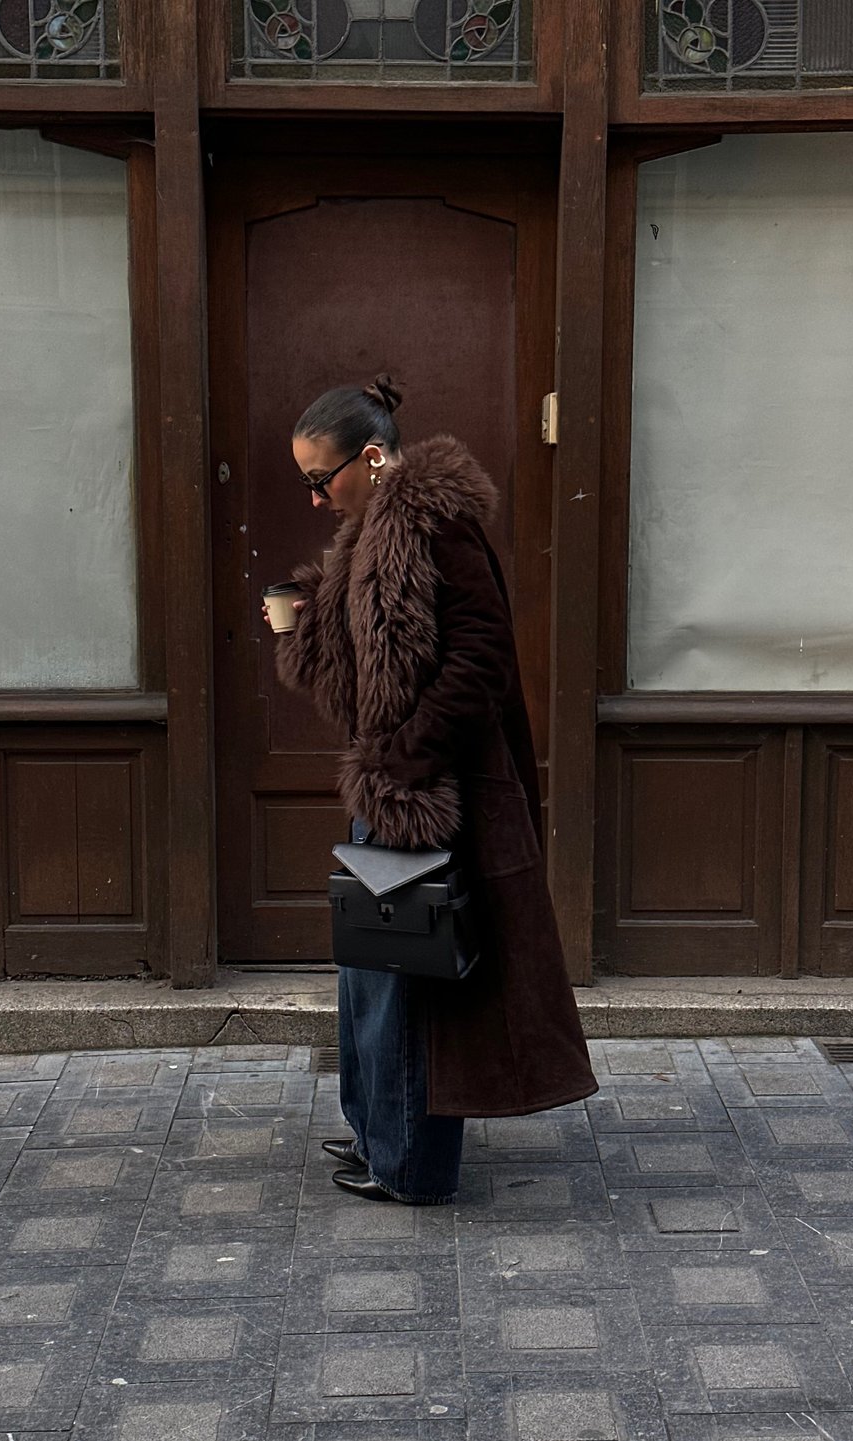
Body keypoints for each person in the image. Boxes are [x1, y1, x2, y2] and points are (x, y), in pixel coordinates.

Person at [266, 373, 598, 1205]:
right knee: (368, 975)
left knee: (404, 983)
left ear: (371, 457)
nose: (314, 499)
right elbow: (369, 655)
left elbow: (481, 659)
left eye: (319, 478)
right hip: (391, 783)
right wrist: (307, 621)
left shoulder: (435, 523)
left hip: (426, 790)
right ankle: (381, 1131)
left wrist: (405, 760)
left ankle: (409, 1162)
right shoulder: (371, 530)